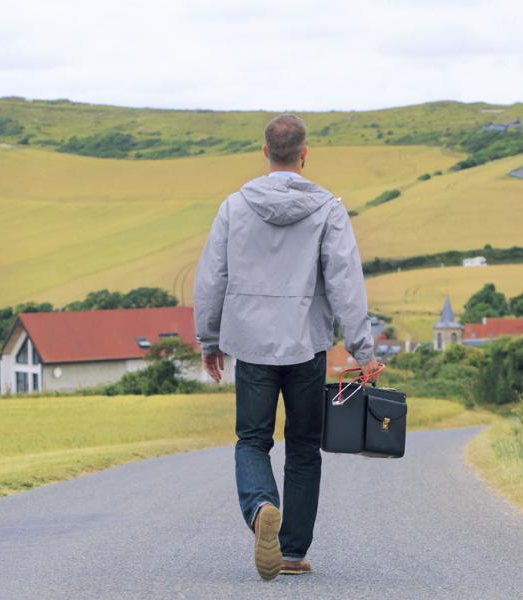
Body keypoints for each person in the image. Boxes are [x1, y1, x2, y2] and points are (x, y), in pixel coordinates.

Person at [193, 114, 381, 581]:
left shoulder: (234, 207)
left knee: (252, 441)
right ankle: (293, 552)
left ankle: (260, 509)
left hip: (252, 347)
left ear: (264, 153)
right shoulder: (328, 209)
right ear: (304, 154)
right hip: (306, 347)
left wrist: (209, 339)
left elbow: (212, 277)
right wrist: (362, 349)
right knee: (302, 448)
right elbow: (345, 283)